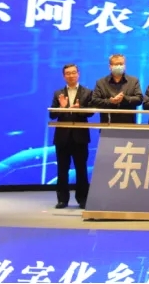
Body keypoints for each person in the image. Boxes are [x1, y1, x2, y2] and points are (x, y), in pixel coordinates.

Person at [49, 63, 93, 209]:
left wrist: (79, 109)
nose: (71, 75)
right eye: (68, 73)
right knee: (62, 170)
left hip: (80, 137)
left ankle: (82, 199)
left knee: (81, 170)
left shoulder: (87, 92)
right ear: (64, 76)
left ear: (78, 74)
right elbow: (52, 115)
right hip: (62, 137)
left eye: (73, 72)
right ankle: (62, 200)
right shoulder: (58, 93)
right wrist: (61, 108)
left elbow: (91, 112)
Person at [91, 53, 144, 124]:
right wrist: (110, 102)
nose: (119, 66)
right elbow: (94, 101)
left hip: (128, 124)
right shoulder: (101, 82)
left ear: (125, 66)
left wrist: (124, 99)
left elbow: (139, 99)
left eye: (121, 64)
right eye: (116, 64)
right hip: (107, 124)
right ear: (110, 66)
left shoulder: (134, 81)